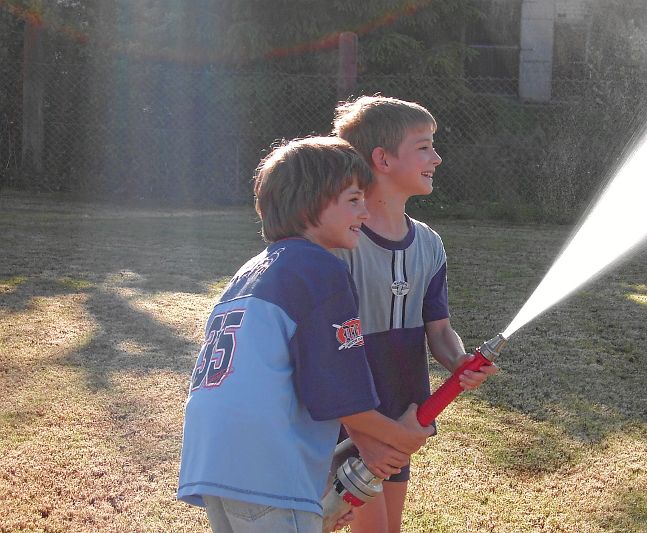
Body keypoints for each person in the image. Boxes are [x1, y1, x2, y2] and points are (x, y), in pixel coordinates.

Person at [176, 136, 434, 533]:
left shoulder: (252, 273)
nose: (365, 212)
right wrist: (400, 437)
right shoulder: (321, 270)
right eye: (353, 200)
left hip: (214, 461)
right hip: (266, 465)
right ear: (310, 203)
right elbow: (341, 398)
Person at [331, 95, 499, 533]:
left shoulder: (429, 243)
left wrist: (459, 361)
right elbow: (329, 349)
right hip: (354, 419)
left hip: (405, 414)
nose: (437, 158)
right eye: (424, 146)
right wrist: (363, 431)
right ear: (382, 159)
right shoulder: (343, 241)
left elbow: (439, 330)